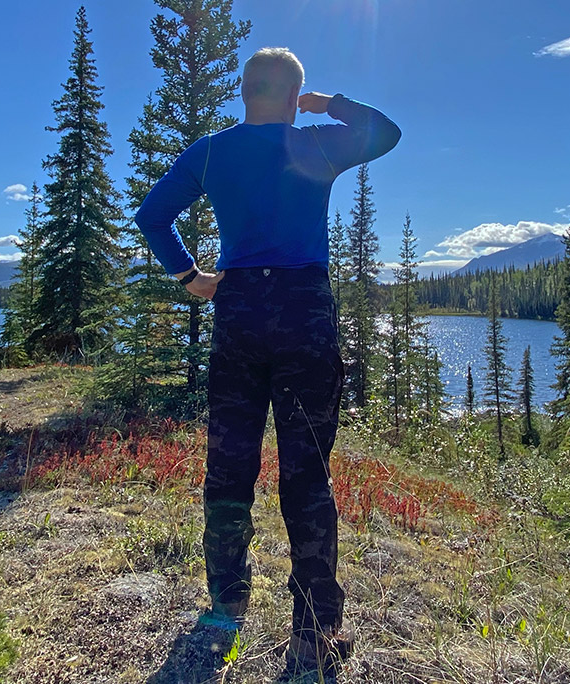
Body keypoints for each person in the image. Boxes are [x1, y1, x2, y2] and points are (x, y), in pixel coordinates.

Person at [134, 47, 401, 679]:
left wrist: (189, 275)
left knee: (230, 466)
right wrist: (326, 104)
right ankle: (314, 633)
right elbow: (386, 133)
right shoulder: (314, 145)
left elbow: (151, 214)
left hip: (239, 308)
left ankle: (227, 605)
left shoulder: (210, 152)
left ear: (244, 91)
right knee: (306, 475)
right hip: (304, 309)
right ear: (290, 96)